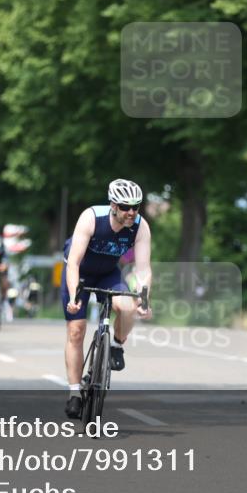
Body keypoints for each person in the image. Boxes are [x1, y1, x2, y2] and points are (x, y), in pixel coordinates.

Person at [62, 179, 152, 418]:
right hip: (79, 273)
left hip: (107, 274)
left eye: (136, 206)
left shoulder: (140, 226)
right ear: (113, 204)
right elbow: (74, 263)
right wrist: (74, 295)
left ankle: (116, 346)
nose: (131, 212)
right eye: (125, 206)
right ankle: (74, 393)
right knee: (76, 330)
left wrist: (144, 298)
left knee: (127, 306)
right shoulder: (91, 218)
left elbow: (143, 269)